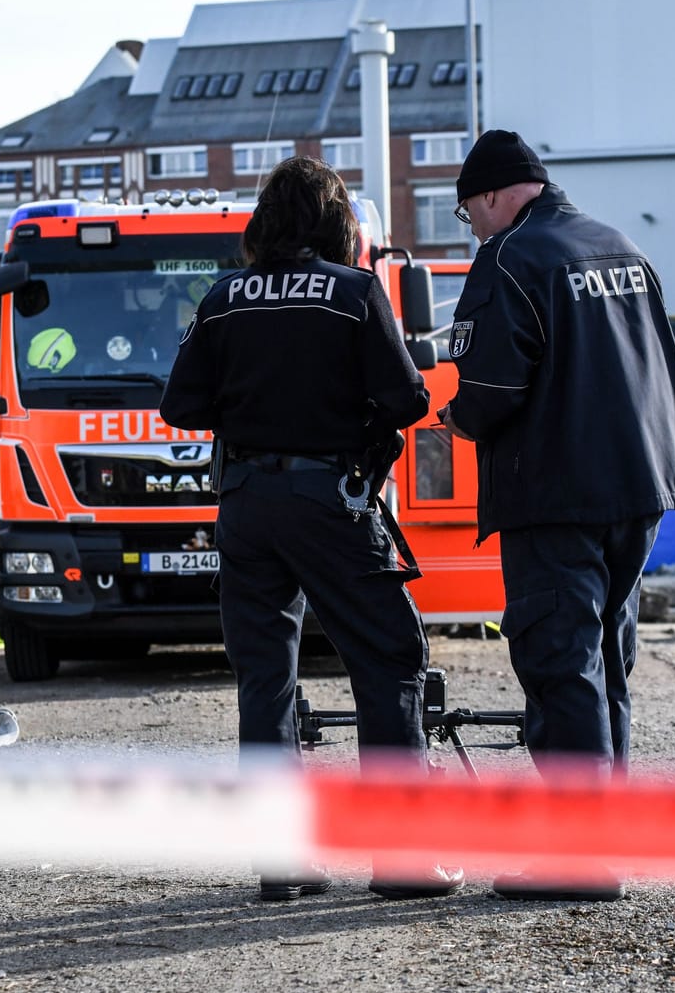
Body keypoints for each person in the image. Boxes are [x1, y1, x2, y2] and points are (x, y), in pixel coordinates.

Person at [161, 155, 461, 903]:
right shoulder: (355, 292)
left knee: (266, 677)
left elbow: (180, 405)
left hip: (246, 506)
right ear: (338, 225)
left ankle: (283, 860)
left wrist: (251, 404)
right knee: (388, 659)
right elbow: (404, 401)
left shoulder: (226, 296)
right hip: (332, 501)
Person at [437, 129, 675, 901]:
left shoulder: (511, 259)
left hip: (556, 493)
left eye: (468, 214)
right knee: (606, 664)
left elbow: (489, 389)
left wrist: (457, 419)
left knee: (560, 666)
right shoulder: (620, 247)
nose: (474, 229)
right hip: (640, 487)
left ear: (490, 195)